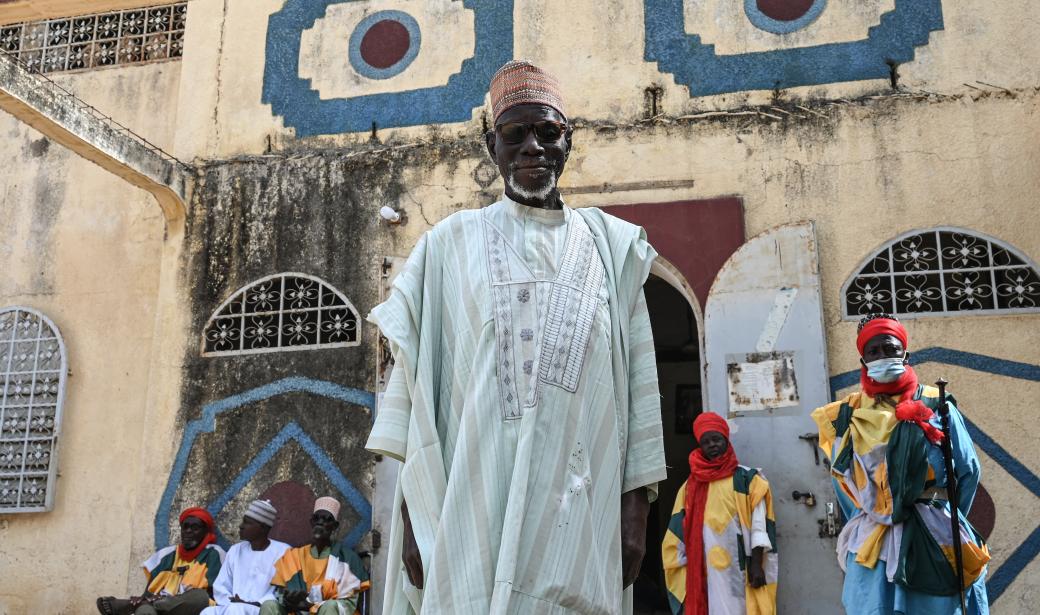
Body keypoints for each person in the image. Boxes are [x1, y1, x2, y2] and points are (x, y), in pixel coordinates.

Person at [366, 59, 666, 614]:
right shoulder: (448, 245)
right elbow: (414, 398)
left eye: (548, 132)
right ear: (491, 146)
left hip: (578, 508)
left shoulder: (612, 249)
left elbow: (639, 396)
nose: (533, 148)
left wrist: (635, 515)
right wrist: (411, 521)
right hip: (470, 509)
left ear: (568, 141)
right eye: (515, 134)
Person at [811, 313, 991, 614]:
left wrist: (946, 515)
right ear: (863, 360)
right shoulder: (845, 414)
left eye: (891, 348)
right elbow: (842, 482)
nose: (883, 356)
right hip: (872, 541)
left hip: (937, 534)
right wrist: (874, 513)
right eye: (874, 351)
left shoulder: (937, 403)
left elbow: (967, 470)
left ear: (904, 354)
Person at [661, 412, 778, 615]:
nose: (712, 445)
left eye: (716, 439)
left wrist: (757, 564)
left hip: (740, 566)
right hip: (705, 569)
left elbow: (759, 524)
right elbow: (677, 533)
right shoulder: (690, 486)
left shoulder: (747, 479)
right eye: (706, 442)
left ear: (726, 439)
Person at [97, 507, 226, 615]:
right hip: (159, 607)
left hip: (192, 608)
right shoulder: (167, 555)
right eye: (185, 527)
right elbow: (149, 592)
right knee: (144, 611)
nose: (188, 532)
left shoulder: (213, 553)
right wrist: (145, 600)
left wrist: (170, 601)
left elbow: (213, 594)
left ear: (205, 532)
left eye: (195, 528)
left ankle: (131, 605)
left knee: (199, 596)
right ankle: (149, 604)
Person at [259, 497, 368, 615]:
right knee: (269, 605)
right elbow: (279, 594)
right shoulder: (294, 556)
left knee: (330, 606)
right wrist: (287, 601)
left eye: (326, 519)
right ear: (311, 522)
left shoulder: (347, 558)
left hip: (330, 612)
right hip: (297, 612)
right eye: (317, 518)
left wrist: (311, 605)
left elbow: (349, 603)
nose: (320, 522)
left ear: (335, 526)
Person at [201, 500, 290, 615]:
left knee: (237, 610)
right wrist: (231, 600)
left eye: (247, 523)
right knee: (207, 612)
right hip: (232, 606)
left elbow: (281, 591)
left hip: (262, 609)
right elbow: (221, 585)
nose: (241, 526)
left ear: (262, 527)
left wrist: (254, 603)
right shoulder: (235, 550)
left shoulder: (283, 551)